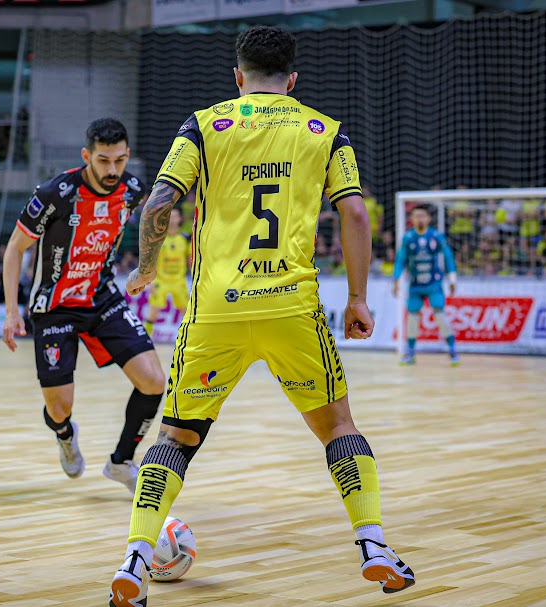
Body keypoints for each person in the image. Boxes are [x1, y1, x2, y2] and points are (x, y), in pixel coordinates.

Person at [108, 26, 414, 607]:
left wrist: (146, 267)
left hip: (216, 312)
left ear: (238, 77)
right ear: (293, 80)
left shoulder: (203, 124)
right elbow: (353, 213)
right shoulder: (325, 131)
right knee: (338, 428)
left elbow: (158, 202)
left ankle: (136, 557)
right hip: (290, 308)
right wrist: (357, 297)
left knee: (174, 434)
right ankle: (373, 544)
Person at [1, 118, 165, 495]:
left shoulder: (132, 189)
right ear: (86, 156)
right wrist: (12, 311)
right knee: (59, 407)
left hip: (102, 296)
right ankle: (64, 433)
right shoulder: (55, 193)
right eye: (104, 161)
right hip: (55, 306)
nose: (112, 170)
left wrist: (146, 265)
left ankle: (121, 462)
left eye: (120, 161)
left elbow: (156, 218)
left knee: (154, 381)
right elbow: (14, 249)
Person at [392, 205, 458, 365]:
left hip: (433, 284)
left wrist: (452, 279)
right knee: (412, 317)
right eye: (416, 216)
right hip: (415, 285)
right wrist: (395, 280)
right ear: (412, 219)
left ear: (428, 218)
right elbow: (401, 260)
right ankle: (410, 353)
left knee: (440, 315)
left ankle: (452, 350)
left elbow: (448, 256)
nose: (419, 219)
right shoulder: (408, 238)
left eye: (422, 216)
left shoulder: (436, 236)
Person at [142, 208, 191, 336]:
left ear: (179, 219)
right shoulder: (159, 239)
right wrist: (149, 281)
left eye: (175, 216)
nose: (173, 219)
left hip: (179, 281)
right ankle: (146, 340)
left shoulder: (185, 239)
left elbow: (190, 260)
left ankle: (190, 338)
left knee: (187, 312)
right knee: (154, 311)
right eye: (170, 216)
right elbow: (150, 260)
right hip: (160, 280)